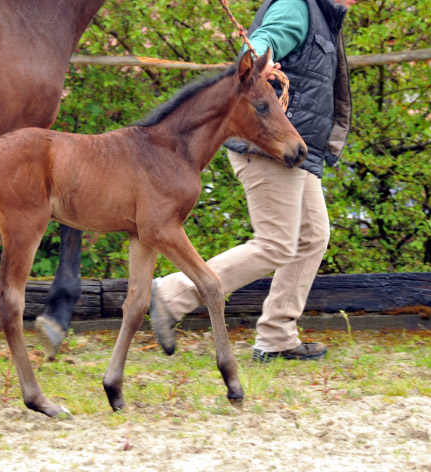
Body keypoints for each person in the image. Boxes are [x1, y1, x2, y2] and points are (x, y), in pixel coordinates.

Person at [150, 0, 354, 362]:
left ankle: (276, 337)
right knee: (276, 244)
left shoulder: (326, 18)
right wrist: (262, 57)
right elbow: (261, 42)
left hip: (297, 150)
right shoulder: (297, 6)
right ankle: (171, 295)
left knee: (312, 237)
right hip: (267, 146)